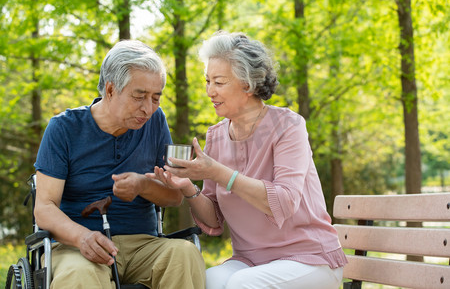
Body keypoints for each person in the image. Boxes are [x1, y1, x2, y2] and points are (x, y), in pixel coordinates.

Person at [148, 31, 347, 289]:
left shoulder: (288, 126)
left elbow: (284, 202)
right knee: (203, 281)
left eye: (219, 83)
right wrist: (186, 186)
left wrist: (218, 173)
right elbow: (214, 219)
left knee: (243, 285)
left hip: (310, 259)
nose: (210, 91)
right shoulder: (216, 136)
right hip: (250, 261)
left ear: (247, 84)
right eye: (207, 81)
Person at [34, 40, 205, 289]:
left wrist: (143, 185)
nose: (148, 108)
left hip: (143, 245)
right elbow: (45, 208)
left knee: (184, 255)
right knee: (79, 275)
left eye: (156, 98)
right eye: (139, 96)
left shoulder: (156, 121)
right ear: (111, 90)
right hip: (77, 247)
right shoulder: (64, 128)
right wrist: (82, 237)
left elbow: (174, 197)